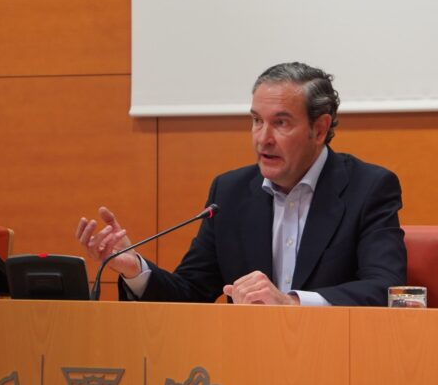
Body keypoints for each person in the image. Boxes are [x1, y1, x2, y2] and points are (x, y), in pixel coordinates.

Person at [76, 62, 407, 306]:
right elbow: (190, 293)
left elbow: (386, 289)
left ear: (319, 129)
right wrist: (135, 269)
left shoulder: (368, 188)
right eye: (256, 121)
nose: (263, 138)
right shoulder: (229, 193)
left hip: (336, 358)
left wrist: (291, 301)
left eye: (281, 123)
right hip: (243, 361)